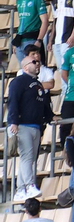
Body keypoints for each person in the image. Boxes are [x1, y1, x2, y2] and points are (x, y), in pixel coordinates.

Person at [7, 49, 51, 200]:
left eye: (38, 62)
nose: (37, 64)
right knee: (27, 157)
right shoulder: (18, 82)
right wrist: (13, 122)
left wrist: (50, 117)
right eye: (34, 62)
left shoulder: (38, 84)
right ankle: (30, 185)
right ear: (25, 67)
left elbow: (43, 103)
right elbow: (12, 102)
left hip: (35, 126)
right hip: (23, 125)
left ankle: (20, 190)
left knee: (30, 158)